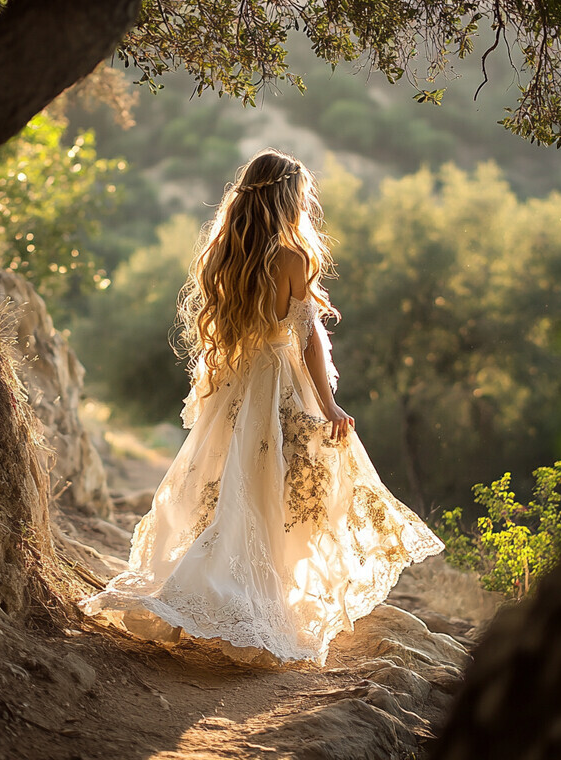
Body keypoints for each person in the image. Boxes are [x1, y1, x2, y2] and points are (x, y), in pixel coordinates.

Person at [79, 148, 445, 667]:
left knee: (231, 486)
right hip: (279, 385)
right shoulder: (293, 258)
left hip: (237, 384)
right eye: (299, 195)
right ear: (285, 198)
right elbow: (309, 339)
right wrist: (330, 403)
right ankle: (264, 599)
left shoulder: (225, 251)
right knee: (292, 486)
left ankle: (228, 589)